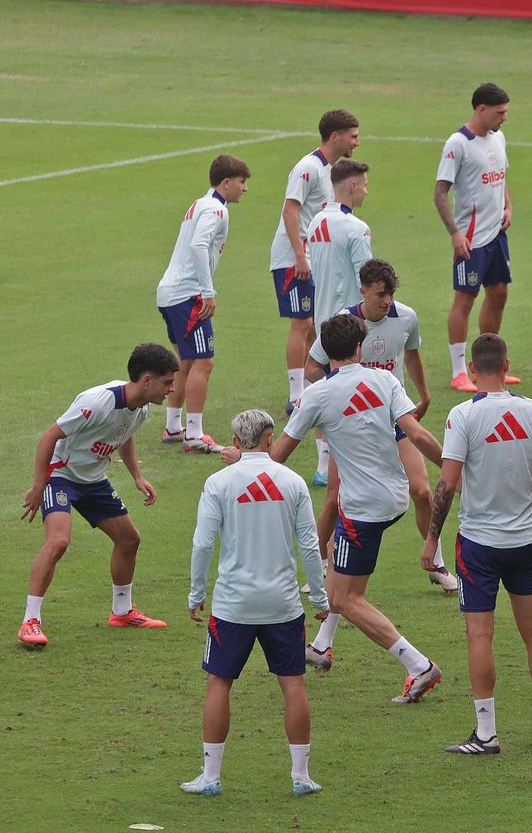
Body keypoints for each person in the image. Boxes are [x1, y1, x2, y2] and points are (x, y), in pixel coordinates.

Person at [276, 313, 446, 703]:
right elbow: (416, 433)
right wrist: (457, 468)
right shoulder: (385, 380)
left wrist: (243, 457)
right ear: (359, 347)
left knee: (345, 599)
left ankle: (419, 666)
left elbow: (279, 455)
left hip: (363, 508)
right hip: (395, 496)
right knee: (337, 570)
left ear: (324, 353)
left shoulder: (316, 395)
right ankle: (321, 646)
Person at [425, 333, 532, 753]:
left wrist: (431, 539)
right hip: (525, 542)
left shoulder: (462, 417)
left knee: (480, 637)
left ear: (471, 369)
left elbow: (446, 485)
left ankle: (486, 733)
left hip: (478, 546)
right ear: (506, 365)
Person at [183, 409, 328, 797]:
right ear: (269, 438)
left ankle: (211, 777)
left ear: (235, 442)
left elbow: (202, 543)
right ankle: (301, 776)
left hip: (233, 605)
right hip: (282, 604)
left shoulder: (218, 483)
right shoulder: (293, 482)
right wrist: (319, 596)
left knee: (219, 682)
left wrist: (196, 594)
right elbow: (311, 546)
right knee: (293, 684)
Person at [307, 258, 457, 594]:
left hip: (394, 417)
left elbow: (413, 353)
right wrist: (338, 397)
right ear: (362, 290)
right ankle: (317, 565)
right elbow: (312, 367)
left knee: (421, 490)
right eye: (379, 294)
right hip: (352, 425)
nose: (386, 300)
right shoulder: (342, 325)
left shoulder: (406, 317)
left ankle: (437, 563)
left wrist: (425, 392)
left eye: (390, 294)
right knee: (334, 498)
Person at [19, 344, 178, 647]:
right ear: (147, 380)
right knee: (58, 541)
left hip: (93, 480)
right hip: (61, 475)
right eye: (167, 382)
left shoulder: (141, 408)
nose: (171, 389)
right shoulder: (98, 402)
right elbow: (49, 437)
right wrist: (39, 486)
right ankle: (30, 620)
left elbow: (124, 435)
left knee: (129, 539)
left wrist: (137, 476)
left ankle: (122, 611)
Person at [154, 153, 250, 454]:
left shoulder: (200, 203)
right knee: (204, 361)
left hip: (169, 292)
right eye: (241, 182)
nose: (244, 188)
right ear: (226, 182)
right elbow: (198, 245)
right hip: (188, 294)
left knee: (185, 361)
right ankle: (194, 434)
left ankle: (173, 426)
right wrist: (208, 291)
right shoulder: (216, 211)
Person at [268, 109, 360, 415]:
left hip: (310, 258)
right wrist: (298, 255)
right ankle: (296, 397)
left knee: (312, 324)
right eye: (353, 136)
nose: (357, 142)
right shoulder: (307, 168)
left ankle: (309, 387)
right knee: (303, 322)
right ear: (336, 136)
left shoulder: (328, 170)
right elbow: (290, 211)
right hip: (292, 258)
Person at [436, 82, 516, 394]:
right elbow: (440, 192)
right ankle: (459, 372)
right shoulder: (458, 144)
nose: (504, 118)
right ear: (481, 110)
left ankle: (490, 366)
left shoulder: (499, 138)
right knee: (465, 299)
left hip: (496, 235)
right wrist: (455, 233)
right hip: (470, 239)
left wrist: (508, 204)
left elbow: (502, 174)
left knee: (499, 294)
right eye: (500, 112)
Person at [304, 158, 375, 486]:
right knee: (358, 390)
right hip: (350, 322)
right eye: (363, 184)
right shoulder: (356, 228)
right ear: (352, 185)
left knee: (323, 386)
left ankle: (323, 465)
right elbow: (369, 279)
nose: (365, 190)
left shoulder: (317, 220)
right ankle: (351, 461)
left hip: (323, 321)